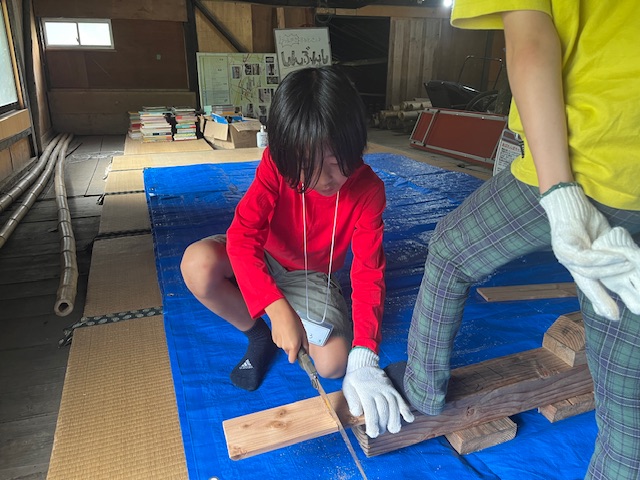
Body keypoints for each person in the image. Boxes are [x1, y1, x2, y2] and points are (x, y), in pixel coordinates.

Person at [402, 2, 640, 479]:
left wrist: (559, 192)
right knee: (624, 365)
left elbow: (530, 43)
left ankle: (421, 394)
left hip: (588, 160)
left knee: (450, 251)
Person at [180, 66, 414, 438]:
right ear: (285, 155)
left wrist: (365, 354)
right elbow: (242, 237)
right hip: (263, 256)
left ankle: (286, 316)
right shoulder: (276, 166)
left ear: (357, 146)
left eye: (336, 164)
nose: (325, 180)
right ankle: (258, 334)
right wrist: (276, 309)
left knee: (334, 365)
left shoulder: (368, 191)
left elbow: (368, 273)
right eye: (309, 168)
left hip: (311, 275)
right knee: (198, 264)